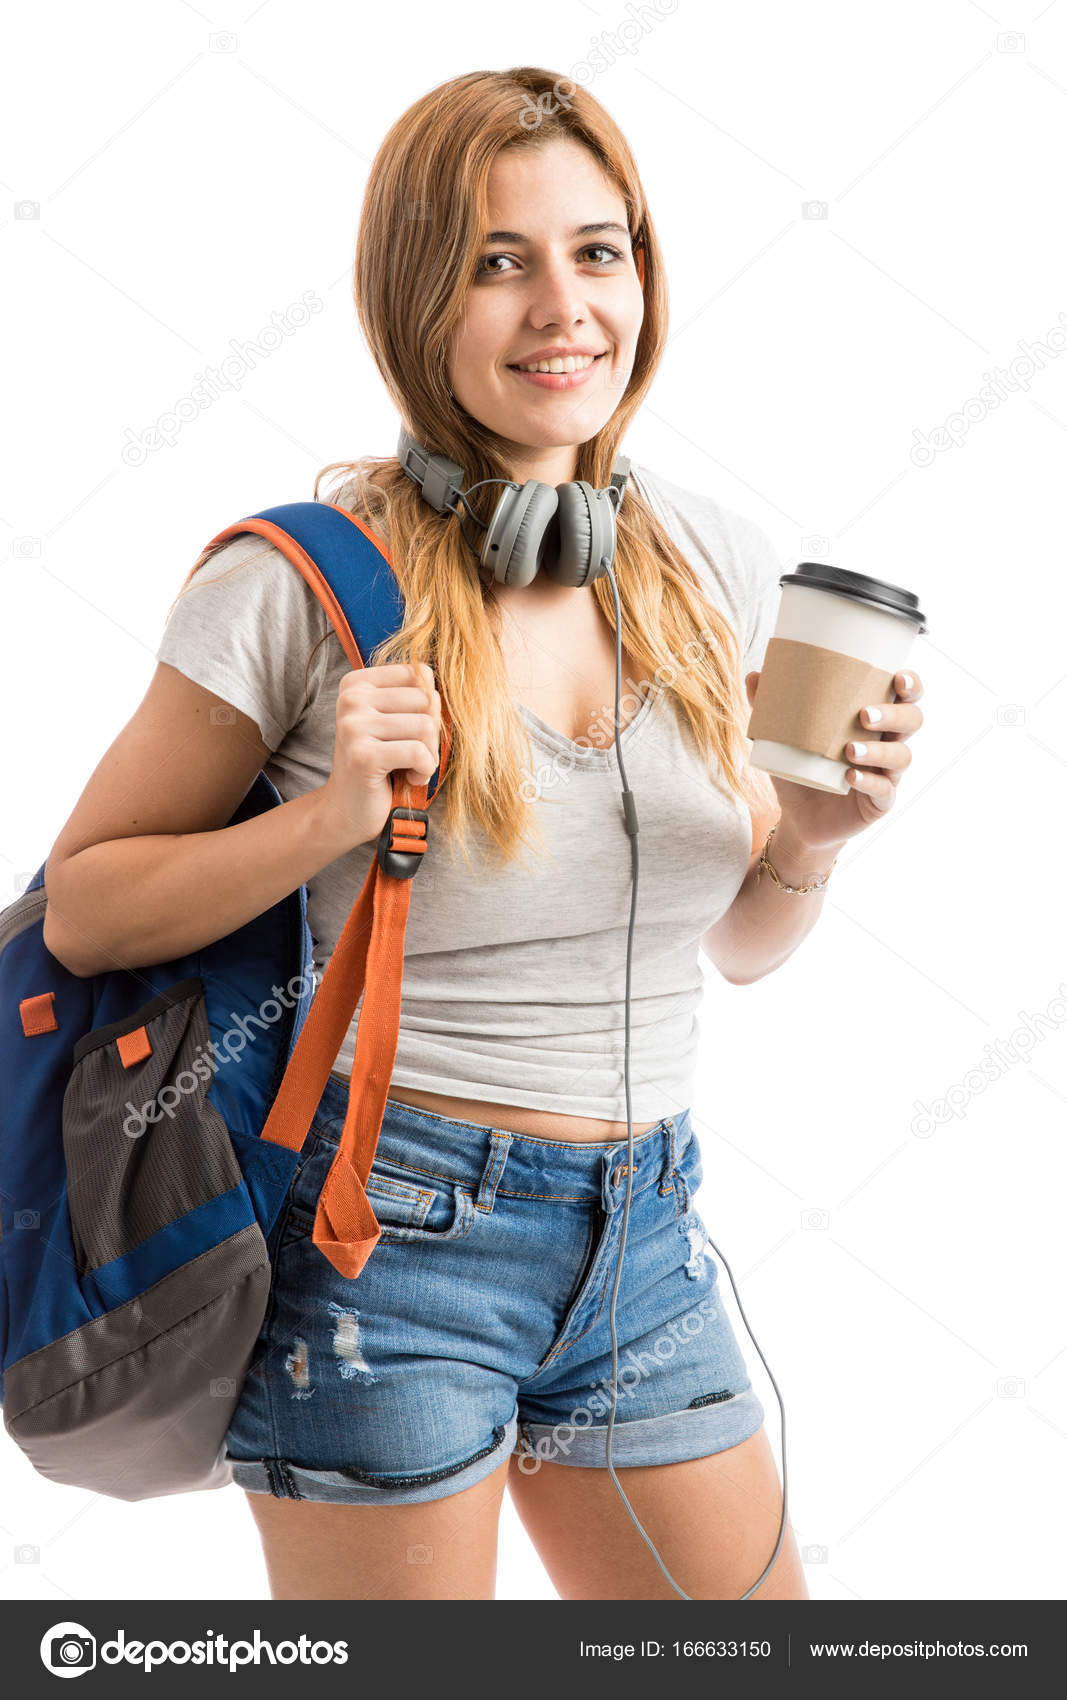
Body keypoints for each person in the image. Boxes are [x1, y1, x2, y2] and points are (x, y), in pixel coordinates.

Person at [42, 67, 923, 1602]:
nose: (564, 306)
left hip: (645, 1241)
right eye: (499, 262)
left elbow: (745, 945)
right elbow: (88, 914)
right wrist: (327, 818)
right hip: (389, 1245)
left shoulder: (707, 564)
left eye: (600, 250)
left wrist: (821, 835)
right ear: (415, 294)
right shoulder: (300, 585)